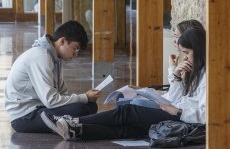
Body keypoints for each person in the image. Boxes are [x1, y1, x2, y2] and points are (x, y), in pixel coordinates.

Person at [41, 27, 206, 140]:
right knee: (129, 130)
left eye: (187, 53)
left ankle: (74, 122)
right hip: (176, 111)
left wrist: (176, 111)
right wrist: (176, 76)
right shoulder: (195, 71)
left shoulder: (208, 77)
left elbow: (206, 117)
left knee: (127, 111)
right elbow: (177, 96)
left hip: (185, 120)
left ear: (198, 50)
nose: (184, 57)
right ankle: (78, 131)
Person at [4, 20, 101, 133]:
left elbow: (62, 93)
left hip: (41, 108)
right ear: (62, 41)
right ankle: (70, 124)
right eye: (75, 48)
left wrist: (84, 99)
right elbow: (51, 101)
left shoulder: (55, 58)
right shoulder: (41, 57)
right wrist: (84, 97)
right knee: (81, 109)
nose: (76, 54)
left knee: (90, 106)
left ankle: (69, 124)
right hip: (24, 117)